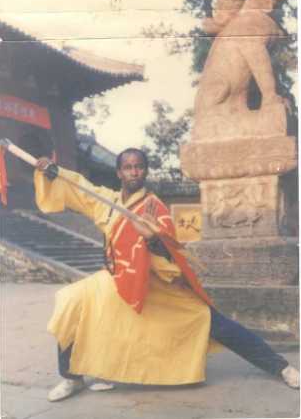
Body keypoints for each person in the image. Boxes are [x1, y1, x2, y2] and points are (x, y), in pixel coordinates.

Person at [34, 148, 299, 402]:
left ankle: (281, 368)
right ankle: (72, 377)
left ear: (145, 171)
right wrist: (52, 171)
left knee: (214, 323)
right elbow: (81, 188)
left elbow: (170, 250)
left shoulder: (154, 207)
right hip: (117, 279)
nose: (134, 172)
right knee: (70, 301)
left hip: (157, 284)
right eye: (128, 167)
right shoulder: (109, 203)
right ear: (119, 173)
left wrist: (152, 239)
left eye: (139, 167)